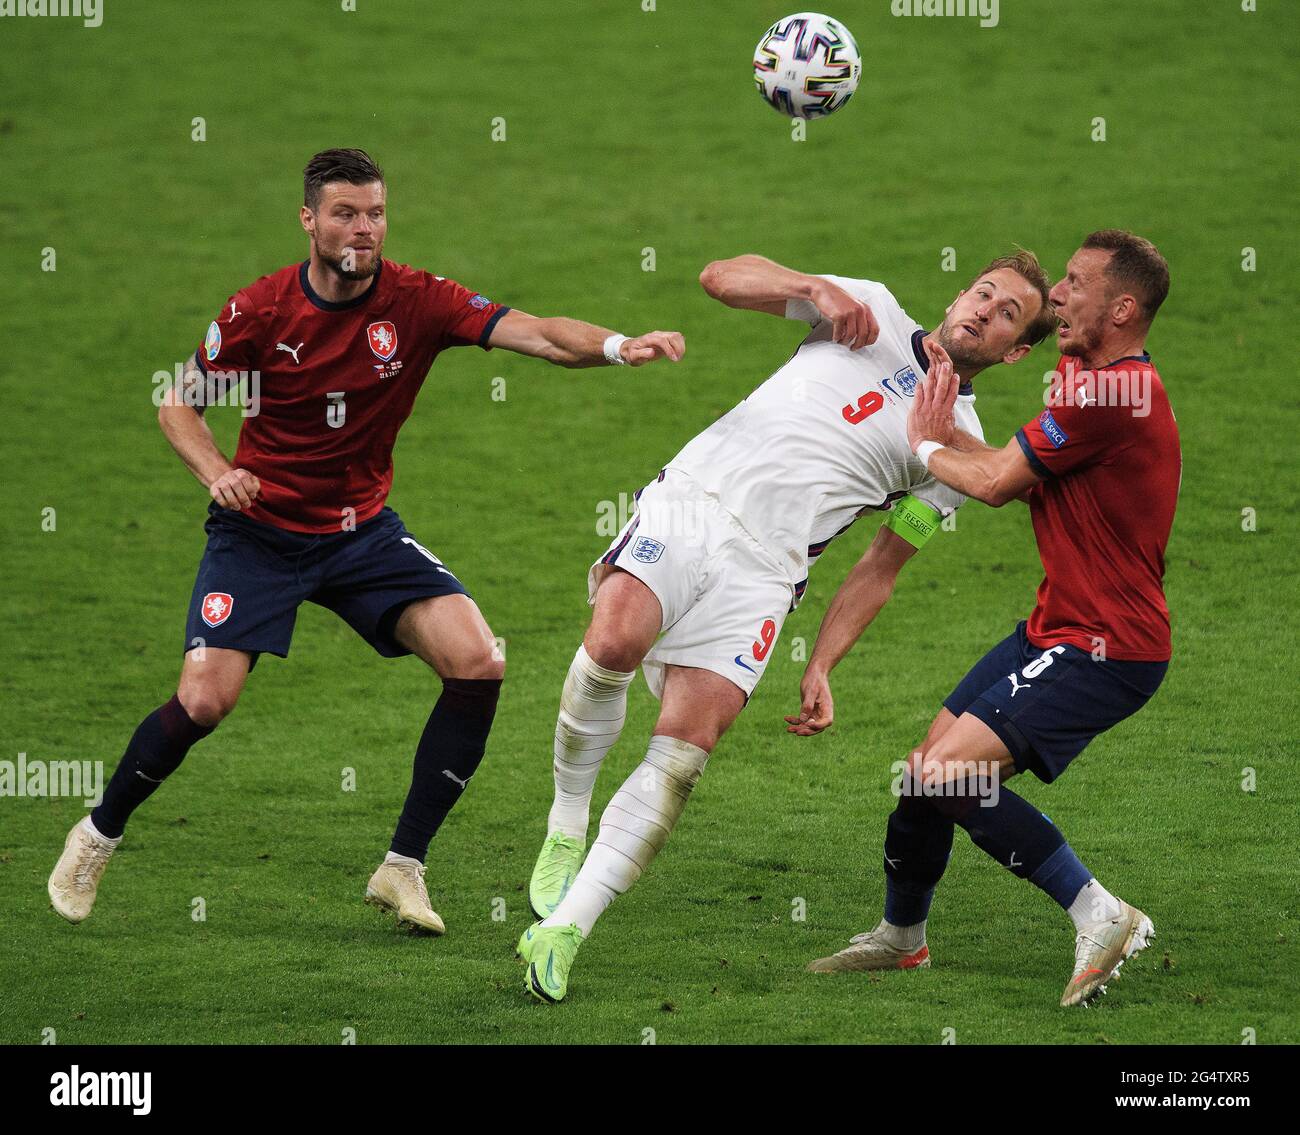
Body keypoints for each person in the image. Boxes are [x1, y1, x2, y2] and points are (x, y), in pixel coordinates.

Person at [47, 148, 685, 935]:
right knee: (206, 699)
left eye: (375, 213)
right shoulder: (260, 311)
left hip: (360, 534)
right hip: (260, 534)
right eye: (346, 213)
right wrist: (218, 472)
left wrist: (621, 345)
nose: (364, 229)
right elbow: (179, 405)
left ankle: (402, 867)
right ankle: (98, 832)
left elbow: (542, 335)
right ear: (309, 220)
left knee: (478, 660)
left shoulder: (419, 300)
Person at [519, 249, 1056, 1001]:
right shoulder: (868, 310)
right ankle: (568, 820)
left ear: (1017, 349)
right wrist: (809, 289)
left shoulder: (959, 448)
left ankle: (565, 929)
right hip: (696, 499)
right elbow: (716, 277)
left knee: (683, 753)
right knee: (611, 642)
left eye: (1008, 315)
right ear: (960, 291)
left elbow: (882, 564)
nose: (984, 311)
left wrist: (824, 663)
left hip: (768, 574)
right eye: (984, 293)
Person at [809, 230, 1177, 1008]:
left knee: (950, 773)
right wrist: (951, 441)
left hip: (1107, 645)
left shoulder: (1115, 393)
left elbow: (1003, 480)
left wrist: (927, 445)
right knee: (924, 774)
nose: (1059, 299)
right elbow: (1017, 464)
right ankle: (902, 937)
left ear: (1122, 307)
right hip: (1058, 626)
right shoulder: (1083, 371)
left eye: (1074, 286)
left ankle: (1101, 913)